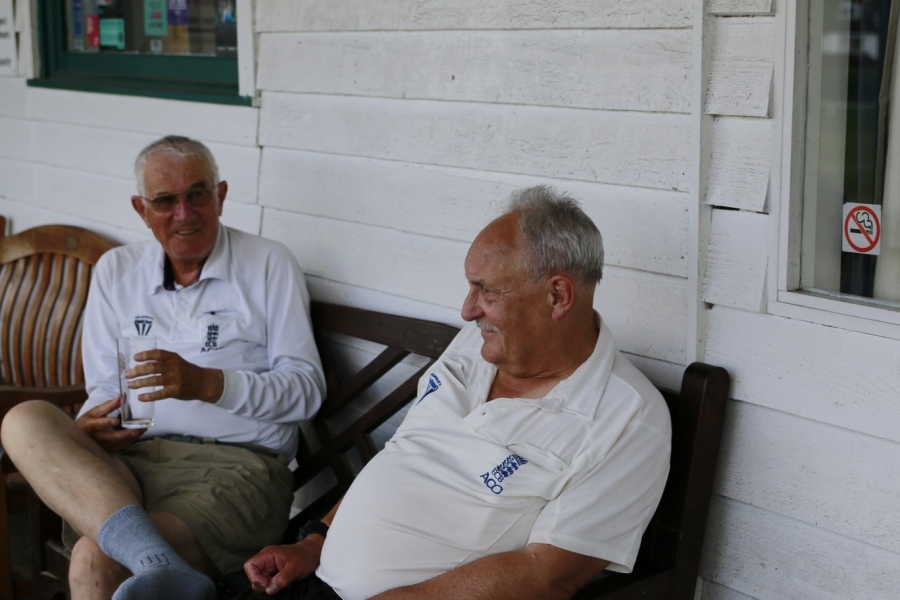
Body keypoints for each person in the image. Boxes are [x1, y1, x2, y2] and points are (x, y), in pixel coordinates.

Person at [240, 185, 672, 600]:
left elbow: (546, 577)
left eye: (487, 291)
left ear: (557, 295)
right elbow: (403, 456)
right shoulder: (475, 345)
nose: (467, 310)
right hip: (309, 581)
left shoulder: (629, 419)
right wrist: (315, 543)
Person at [1, 136, 326, 600]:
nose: (184, 212)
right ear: (141, 208)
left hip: (237, 468)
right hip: (131, 461)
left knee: (96, 559)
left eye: (198, 194)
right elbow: (101, 388)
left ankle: (153, 562)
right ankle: (160, 564)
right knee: (23, 418)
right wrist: (95, 423)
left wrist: (209, 384)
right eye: (165, 200)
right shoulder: (117, 270)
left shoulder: (268, 262)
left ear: (222, 195)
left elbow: (307, 390)